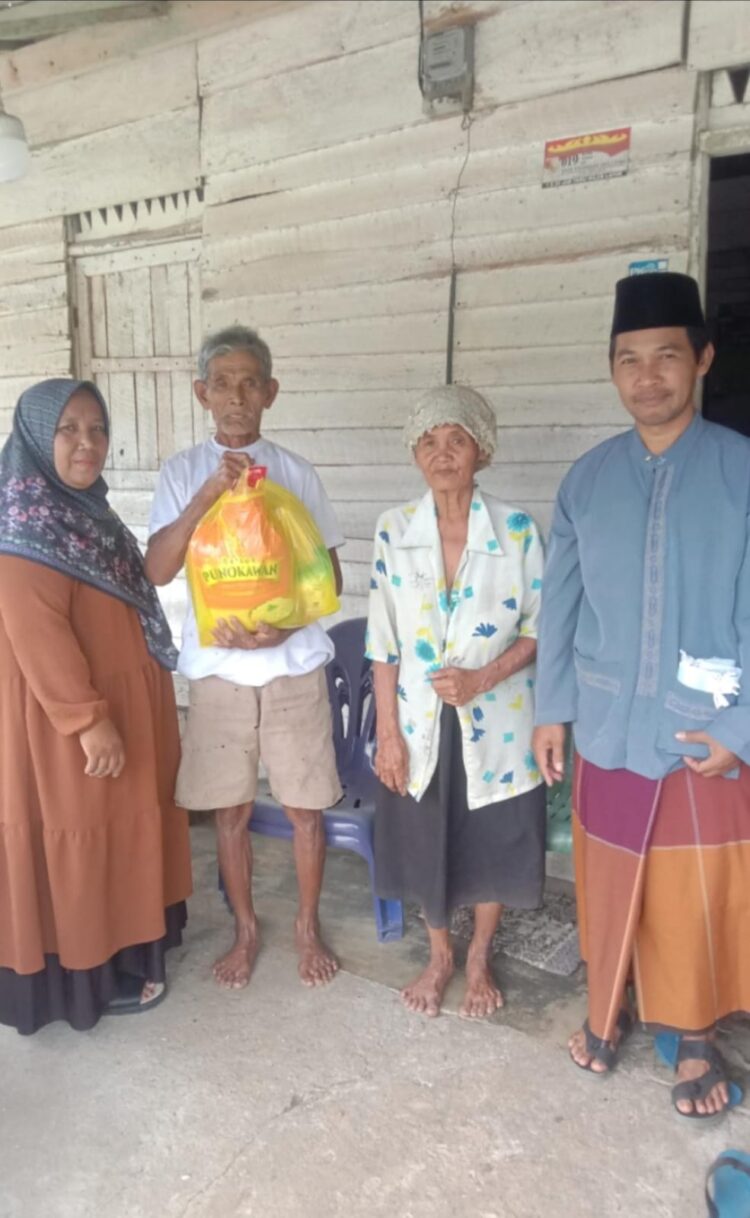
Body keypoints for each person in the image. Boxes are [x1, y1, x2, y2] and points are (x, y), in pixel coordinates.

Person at [532, 272, 750, 1122]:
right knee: (610, 875)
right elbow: (561, 605)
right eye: (630, 360)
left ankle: (694, 1034)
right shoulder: (586, 481)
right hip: (608, 720)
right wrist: (553, 707)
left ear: (701, 359)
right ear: (611, 370)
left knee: (695, 892)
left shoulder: (739, 469)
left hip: (707, 729)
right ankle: (609, 1002)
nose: (648, 376)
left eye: (667, 356)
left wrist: (742, 724)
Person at [145, 325, 344, 991]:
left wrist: (283, 631)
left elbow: (328, 582)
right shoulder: (178, 473)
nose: (237, 396)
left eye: (250, 382)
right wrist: (207, 495)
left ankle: (306, 926)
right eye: (223, 383)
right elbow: (158, 569)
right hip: (218, 675)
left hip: (292, 668)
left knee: (304, 809)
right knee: (228, 809)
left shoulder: (296, 475)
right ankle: (246, 928)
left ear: (271, 393)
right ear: (203, 393)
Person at [0, 379, 192, 1036]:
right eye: (69, 430)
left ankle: (133, 943)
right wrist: (86, 719)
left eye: (97, 429)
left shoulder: (89, 511)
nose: (88, 444)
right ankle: (87, 975)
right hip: (70, 726)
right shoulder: (25, 522)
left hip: (121, 707)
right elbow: (36, 628)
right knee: (78, 838)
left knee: (122, 832)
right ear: (35, 437)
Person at [366, 386, 546, 1019]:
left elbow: (538, 627)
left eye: (457, 441)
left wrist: (482, 678)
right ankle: (440, 954)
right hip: (417, 720)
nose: (443, 455)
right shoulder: (395, 529)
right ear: (415, 455)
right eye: (429, 443)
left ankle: (479, 955)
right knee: (424, 837)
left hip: (497, 720)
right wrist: (388, 733)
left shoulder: (517, 530)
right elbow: (382, 643)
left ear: (482, 452)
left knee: (492, 837)